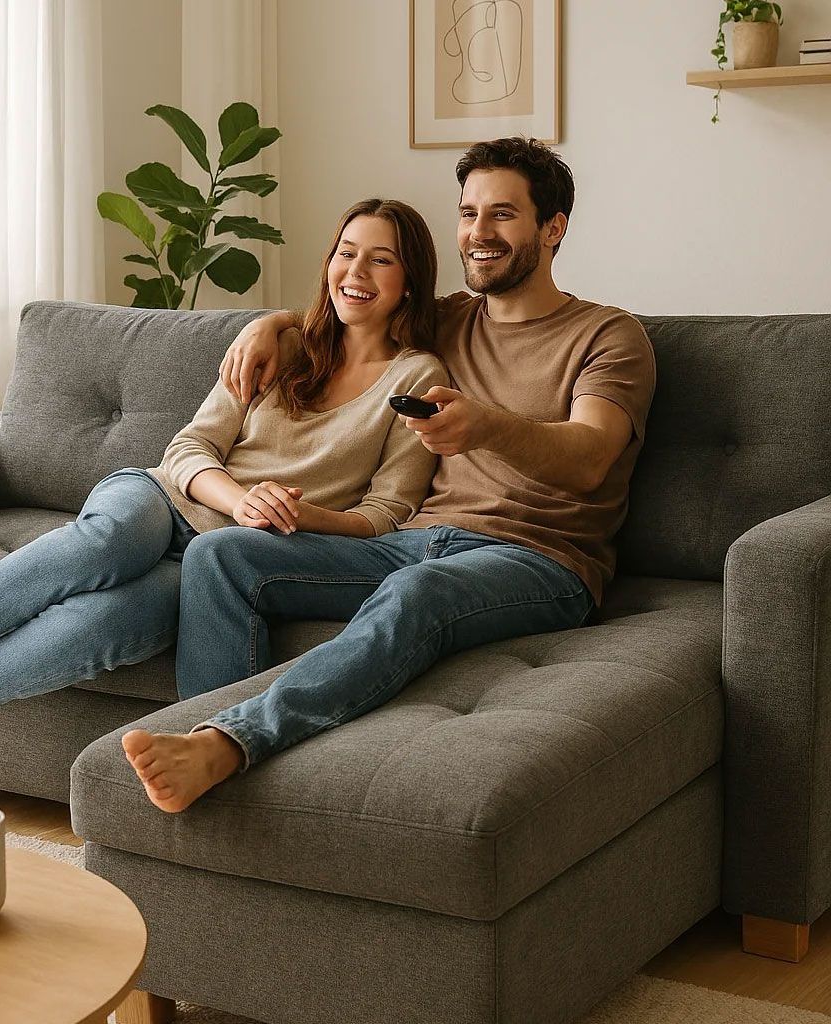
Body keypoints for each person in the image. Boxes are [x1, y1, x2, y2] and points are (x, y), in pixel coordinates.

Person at [121, 137, 657, 814]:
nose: (478, 234)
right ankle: (201, 768)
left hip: (538, 560)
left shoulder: (609, 336)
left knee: (418, 592)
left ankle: (229, 741)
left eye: (503, 215)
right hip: (414, 538)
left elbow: (589, 457)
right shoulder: (447, 321)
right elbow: (350, 306)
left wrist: (486, 426)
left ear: (553, 228)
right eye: (468, 213)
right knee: (220, 555)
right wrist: (274, 323)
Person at [0, 198, 447, 751]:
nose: (355, 273)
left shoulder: (418, 378)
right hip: (164, 498)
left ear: (410, 280)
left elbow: (388, 513)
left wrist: (302, 517)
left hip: (223, 555)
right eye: (345, 253)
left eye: (381, 260)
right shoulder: (279, 349)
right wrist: (239, 497)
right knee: (110, 541)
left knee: (107, 624)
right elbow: (189, 448)